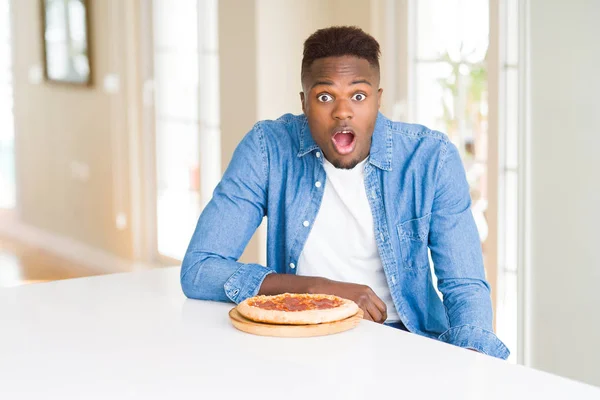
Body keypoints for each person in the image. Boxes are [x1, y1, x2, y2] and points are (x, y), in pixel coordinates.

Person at [180, 26, 509, 359]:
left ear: (378, 100)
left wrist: (473, 364)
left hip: (404, 343)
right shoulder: (268, 149)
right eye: (325, 96)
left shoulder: (431, 158)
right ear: (304, 102)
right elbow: (199, 269)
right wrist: (317, 289)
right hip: (301, 341)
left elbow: (464, 286)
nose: (342, 111)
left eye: (358, 95)